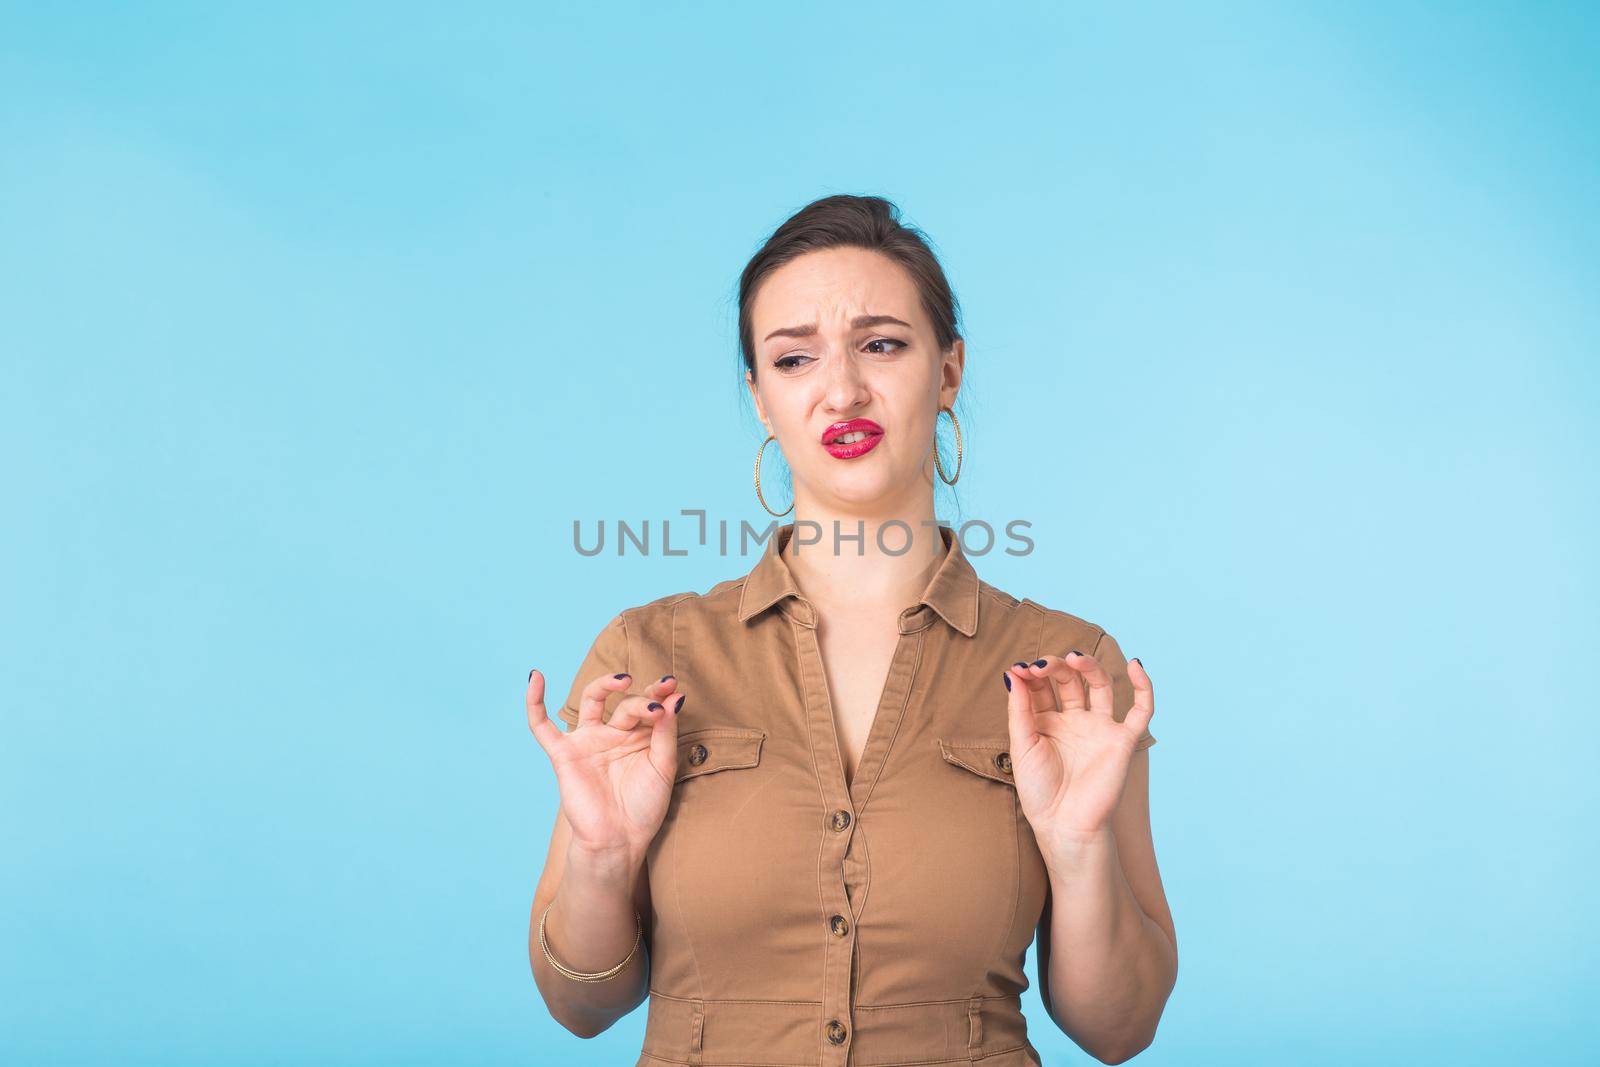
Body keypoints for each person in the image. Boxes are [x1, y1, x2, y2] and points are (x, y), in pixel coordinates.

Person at [524, 194, 1177, 1065]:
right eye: (794, 358)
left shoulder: (1070, 671)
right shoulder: (647, 655)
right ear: (759, 398)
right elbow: (581, 1007)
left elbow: (1119, 1029)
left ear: (949, 371)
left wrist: (1078, 847)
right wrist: (603, 857)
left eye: (882, 344)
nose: (842, 390)